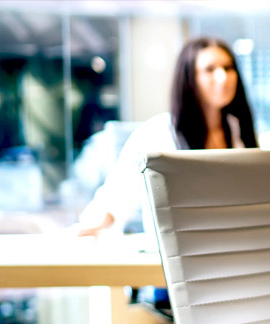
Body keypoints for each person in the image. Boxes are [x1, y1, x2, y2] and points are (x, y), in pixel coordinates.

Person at [75, 37, 259, 238]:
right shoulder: (158, 131)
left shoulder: (237, 130)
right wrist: (86, 229)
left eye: (228, 67)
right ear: (189, 78)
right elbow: (116, 196)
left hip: (233, 243)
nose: (223, 77)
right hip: (178, 251)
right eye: (210, 69)